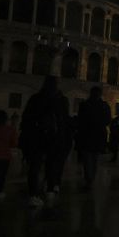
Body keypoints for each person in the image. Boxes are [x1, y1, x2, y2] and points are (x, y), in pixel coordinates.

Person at [20, 76, 70, 207]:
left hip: (36, 137)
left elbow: (26, 119)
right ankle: (50, 190)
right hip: (54, 138)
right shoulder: (61, 100)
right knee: (52, 164)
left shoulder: (36, 99)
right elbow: (64, 121)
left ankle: (33, 194)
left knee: (34, 167)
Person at [76, 86, 111, 185]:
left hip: (87, 135)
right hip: (98, 135)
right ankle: (91, 178)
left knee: (88, 158)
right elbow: (108, 120)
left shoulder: (85, 105)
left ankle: (89, 178)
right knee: (94, 158)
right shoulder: (104, 106)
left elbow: (80, 120)